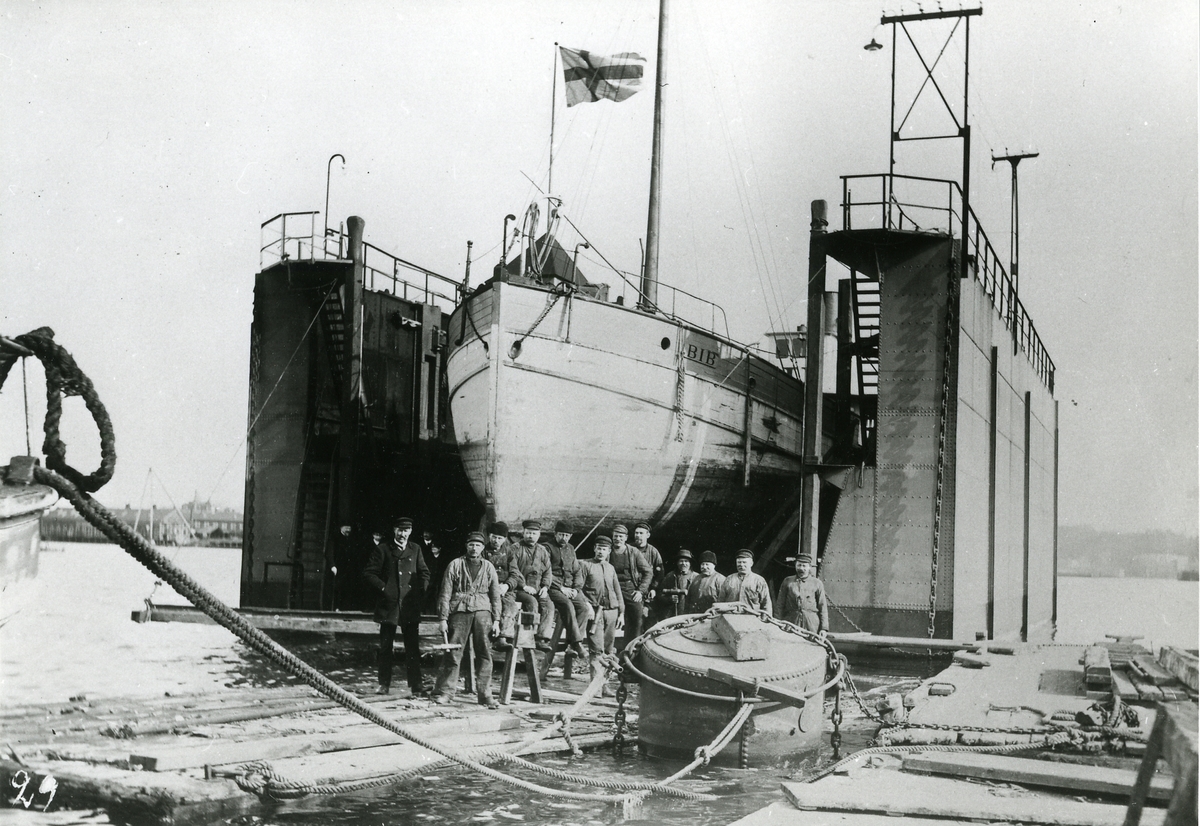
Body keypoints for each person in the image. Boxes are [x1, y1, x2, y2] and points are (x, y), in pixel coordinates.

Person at [363, 516, 431, 696]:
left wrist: (420, 591)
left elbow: (424, 572)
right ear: (394, 530)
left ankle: (416, 685)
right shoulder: (383, 549)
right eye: (400, 530)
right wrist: (385, 588)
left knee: (412, 647)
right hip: (390, 604)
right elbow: (369, 573)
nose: (403, 534)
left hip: (409, 604)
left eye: (406, 530)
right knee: (386, 647)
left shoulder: (415, 549)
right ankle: (384, 684)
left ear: (411, 531)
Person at [433, 532, 502, 708]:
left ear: (483, 548)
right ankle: (446, 693)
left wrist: (496, 620)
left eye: (478, 545)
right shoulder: (455, 565)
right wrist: (442, 618)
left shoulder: (488, 567)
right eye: (471, 544)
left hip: (483, 613)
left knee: (485, 654)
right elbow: (445, 593)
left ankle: (485, 695)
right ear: (466, 546)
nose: (474, 548)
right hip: (459, 611)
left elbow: (495, 596)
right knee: (453, 653)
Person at [577, 534, 625, 689]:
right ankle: (595, 688)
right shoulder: (585, 565)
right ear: (594, 549)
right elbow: (578, 588)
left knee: (609, 650)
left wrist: (621, 613)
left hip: (612, 611)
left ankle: (605, 685)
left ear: (609, 551)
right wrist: (587, 605)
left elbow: (618, 591)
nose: (601, 552)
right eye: (599, 548)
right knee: (597, 650)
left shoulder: (610, 568)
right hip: (595, 613)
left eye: (604, 549)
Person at [544, 520, 591, 657]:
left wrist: (576, 589)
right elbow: (544, 571)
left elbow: (577, 571)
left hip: (570, 588)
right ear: (555, 534)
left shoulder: (570, 548)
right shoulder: (546, 548)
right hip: (553, 588)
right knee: (568, 605)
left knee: (583, 608)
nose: (564, 538)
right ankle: (577, 643)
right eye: (561, 535)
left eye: (567, 535)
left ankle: (571, 645)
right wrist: (561, 587)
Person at [508, 519, 555, 651]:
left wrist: (545, 587)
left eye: (534, 533)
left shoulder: (542, 550)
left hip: (538, 588)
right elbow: (514, 570)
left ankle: (541, 638)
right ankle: (527, 638)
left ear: (539, 535)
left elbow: (548, 571)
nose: (530, 536)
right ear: (523, 533)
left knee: (549, 605)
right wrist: (524, 586)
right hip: (519, 589)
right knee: (532, 603)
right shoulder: (515, 549)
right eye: (528, 533)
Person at [609, 524, 651, 650]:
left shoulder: (633, 552)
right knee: (609, 617)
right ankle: (610, 649)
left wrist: (640, 591)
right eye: (615, 536)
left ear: (626, 538)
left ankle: (632, 649)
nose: (618, 539)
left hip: (630, 589)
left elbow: (648, 572)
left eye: (621, 537)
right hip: (612, 589)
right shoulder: (608, 551)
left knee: (637, 617)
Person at [774, 554, 829, 637]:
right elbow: (780, 605)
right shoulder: (788, 581)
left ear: (809, 567)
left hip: (811, 625)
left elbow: (822, 606)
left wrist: (824, 628)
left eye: (804, 566)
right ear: (795, 565)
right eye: (799, 565)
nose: (801, 568)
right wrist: (777, 624)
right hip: (791, 623)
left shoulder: (817, 583)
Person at [717, 549, 773, 613]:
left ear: (751, 563)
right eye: (739, 562)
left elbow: (766, 603)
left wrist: (765, 620)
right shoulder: (729, 579)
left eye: (744, 562)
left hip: (752, 618)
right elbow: (720, 602)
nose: (741, 565)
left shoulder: (759, 580)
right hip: (730, 618)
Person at [630, 521, 665, 624]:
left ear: (648, 535)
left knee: (649, 620)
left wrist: (654, 589)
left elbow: (660, 573)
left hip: (648, 592)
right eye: (636, 533)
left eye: (641, 533)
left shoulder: (653, 552)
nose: (638, 535)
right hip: (631, 590)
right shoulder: (629, 549)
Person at [655, 549, 699, 622]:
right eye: (681, 561)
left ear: (690, 563)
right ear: (677, 563)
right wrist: (669, 599)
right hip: (672, 614)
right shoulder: (670, 576)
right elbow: (660, 594)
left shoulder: (696, 577)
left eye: (686, 561)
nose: (683, 563)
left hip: (690, 614)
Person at [422, 528, 455, 614]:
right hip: (431, 580)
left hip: (440, 580)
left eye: (435, 547)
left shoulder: (443, 558)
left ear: (439, 548)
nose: (433, 549)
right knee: (429, 596)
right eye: (432, 547)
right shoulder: (429, 557)